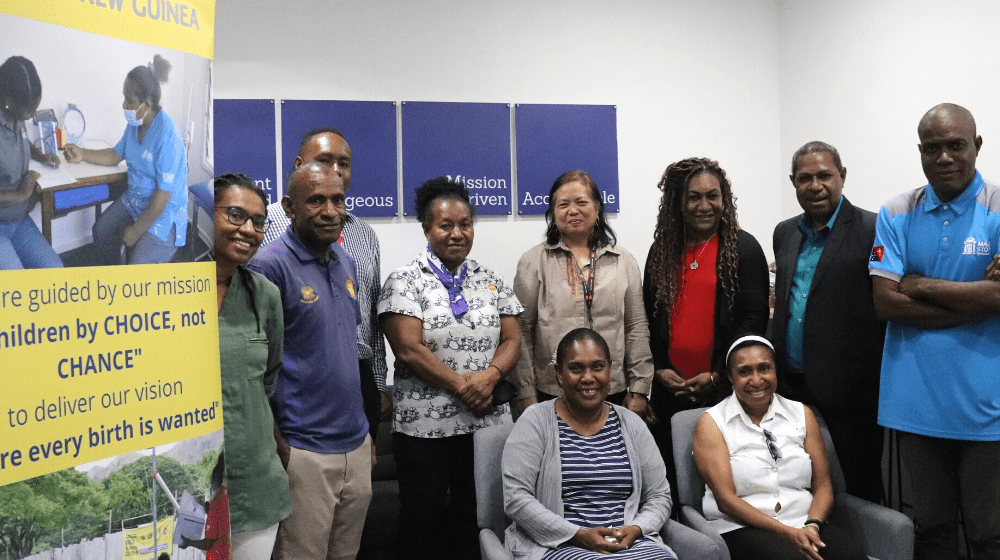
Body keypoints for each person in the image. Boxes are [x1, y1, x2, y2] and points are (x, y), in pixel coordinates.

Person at [869, 103, 1000, 560]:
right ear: (920, 152)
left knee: (988, 535)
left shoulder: (999, 207)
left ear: (977, 146)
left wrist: (919, 284)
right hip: (915, 403)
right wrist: (979, 297)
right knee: (932, 531)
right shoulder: (897, 210)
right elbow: (885, 302)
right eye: (932, 148)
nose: (943, 157)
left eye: (955, 145)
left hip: (987, 407)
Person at [378, 177, 522, 560]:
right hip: (425, 432)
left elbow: (512, 340)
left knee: (477, 520)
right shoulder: (404, 281)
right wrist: (464, 387)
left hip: (486, 426)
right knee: (420, 523)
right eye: (446, 225)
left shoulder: (490, 280)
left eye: (465, 224)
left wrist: (489, 378)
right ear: (427, 229)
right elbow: (408, 349)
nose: (457, 233)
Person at [248, 162, 371, 560]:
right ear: (289, 207)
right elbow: (254, 369)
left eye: (338, 200)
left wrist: (364, 436)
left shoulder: (345, 263)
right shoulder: (269, 266)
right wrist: (281, 447)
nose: (331, 211)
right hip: (304, 451)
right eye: (316, 200)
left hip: (355, 445)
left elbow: (344, 349)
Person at [642, 157, 769, 496]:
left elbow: (753, 322)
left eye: (712, 196)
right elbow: (650, 320)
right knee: (673, 483)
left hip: (725, 392)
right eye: (693, 197)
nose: (704, 205)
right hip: (671, 392)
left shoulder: (744, 248)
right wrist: (659, 369)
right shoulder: (661, 251)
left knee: (722, 484)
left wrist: (718, 376)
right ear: (677, 203)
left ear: (724, 199)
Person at [262, 127, 390, 461]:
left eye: (343, 163)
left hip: (354, 378)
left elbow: (369, 314)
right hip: (297, 381)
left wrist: (376, 382)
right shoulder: (265, 226)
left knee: (355, 485)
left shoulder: (364, 235)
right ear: (299, 164)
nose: (335, 170)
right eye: (324, 160)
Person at [771, 142, 885, 504]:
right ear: (793, 182)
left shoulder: (873, 229)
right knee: (800, 484)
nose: (815, 185)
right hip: (792, 389)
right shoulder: (784, 232)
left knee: (859, 485)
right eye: (805, 178)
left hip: (851, 393)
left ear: (842, 176)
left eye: (824, 175)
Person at [503, 328, 675, 560]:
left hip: (628, 544)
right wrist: (577, 534)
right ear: (558, 374)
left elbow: (659, 495)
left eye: (597, 367)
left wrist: (636, 529)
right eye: (576, 368)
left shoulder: (632, 423)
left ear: (610, 369)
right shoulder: (535, 421)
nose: (588, 377)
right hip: (560, 545)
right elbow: (516, 498)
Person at [692, 336, 867, 560]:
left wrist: (812, 526)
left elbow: (823, 486)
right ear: (731, 377)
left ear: (775, 371)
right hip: (742, 527)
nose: (756, 380)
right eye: (745, 372)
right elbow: (726, 500)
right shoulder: (712, 422)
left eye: (764, 368)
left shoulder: (801, 414)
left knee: (852, 556)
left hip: (804, 522)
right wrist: (787, 533)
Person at [513, 170, 653, 418]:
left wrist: (640, 389)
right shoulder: (533, 261)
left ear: (597, 209)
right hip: (552, 391)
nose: (572, 211)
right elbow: (521, 331)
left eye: (581, 202)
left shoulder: (623, 261)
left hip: (613, 389)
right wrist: (526, 392)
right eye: (563, 204)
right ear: (552, 213)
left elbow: (636, 326)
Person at [212, 173, 290, 559]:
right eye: (235, 215)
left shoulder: (265, 296)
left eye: (258, 222)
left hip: (254, 481)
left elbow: (268, 377)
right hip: (191, 481)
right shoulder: (164, 292)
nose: (248, 230)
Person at [64, 55, 187, 265]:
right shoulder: (135, 124)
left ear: (147, 104)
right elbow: (115, 154)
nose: (124, 104)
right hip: (136, 200)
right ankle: (115, 274)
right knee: (101, 230)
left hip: (164, 213)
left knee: (137, 266)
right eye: (124, 97)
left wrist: (137, 230)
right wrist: (83, 153)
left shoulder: (168, 136)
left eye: (129, 100)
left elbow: (163, 194)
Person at [0, 55, 62, 270]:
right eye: (29, 110)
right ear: (8, 104)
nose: (33, 114)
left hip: (20, 221)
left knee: (55, 271)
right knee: (17, 285)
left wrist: (42, 156)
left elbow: (24, 142)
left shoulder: (16, 116)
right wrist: (21, 195)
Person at [181, 453, 231, 560]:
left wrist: (189, 542)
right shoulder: (227, 499)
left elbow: (208, 544)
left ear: (214, 483)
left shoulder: (216, 504)